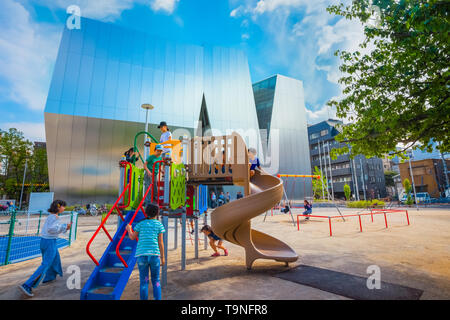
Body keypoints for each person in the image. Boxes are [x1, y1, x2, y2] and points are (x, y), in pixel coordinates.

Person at [19, 200, 71, 297]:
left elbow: (52, 229)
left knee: (55, 258)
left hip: (46, 241)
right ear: (59, 207)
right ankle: (27, 285)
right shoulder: (55, 217)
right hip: (49, 242)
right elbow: (51, 229)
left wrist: (65, 228)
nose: (64, 208)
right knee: (46, 264)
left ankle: (50, 277)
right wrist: (64, 227)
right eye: (64, 206)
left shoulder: (51, 216)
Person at [126, 203, 165, 300]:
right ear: (157, 213)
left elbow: (132, 237)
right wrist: (163, 258)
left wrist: (129, 229)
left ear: (146, 213)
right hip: (154, 256)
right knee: (156, 280)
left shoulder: (140, 224)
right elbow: (160, 243)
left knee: (144, 281)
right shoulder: (159, 224)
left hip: (142, 255)